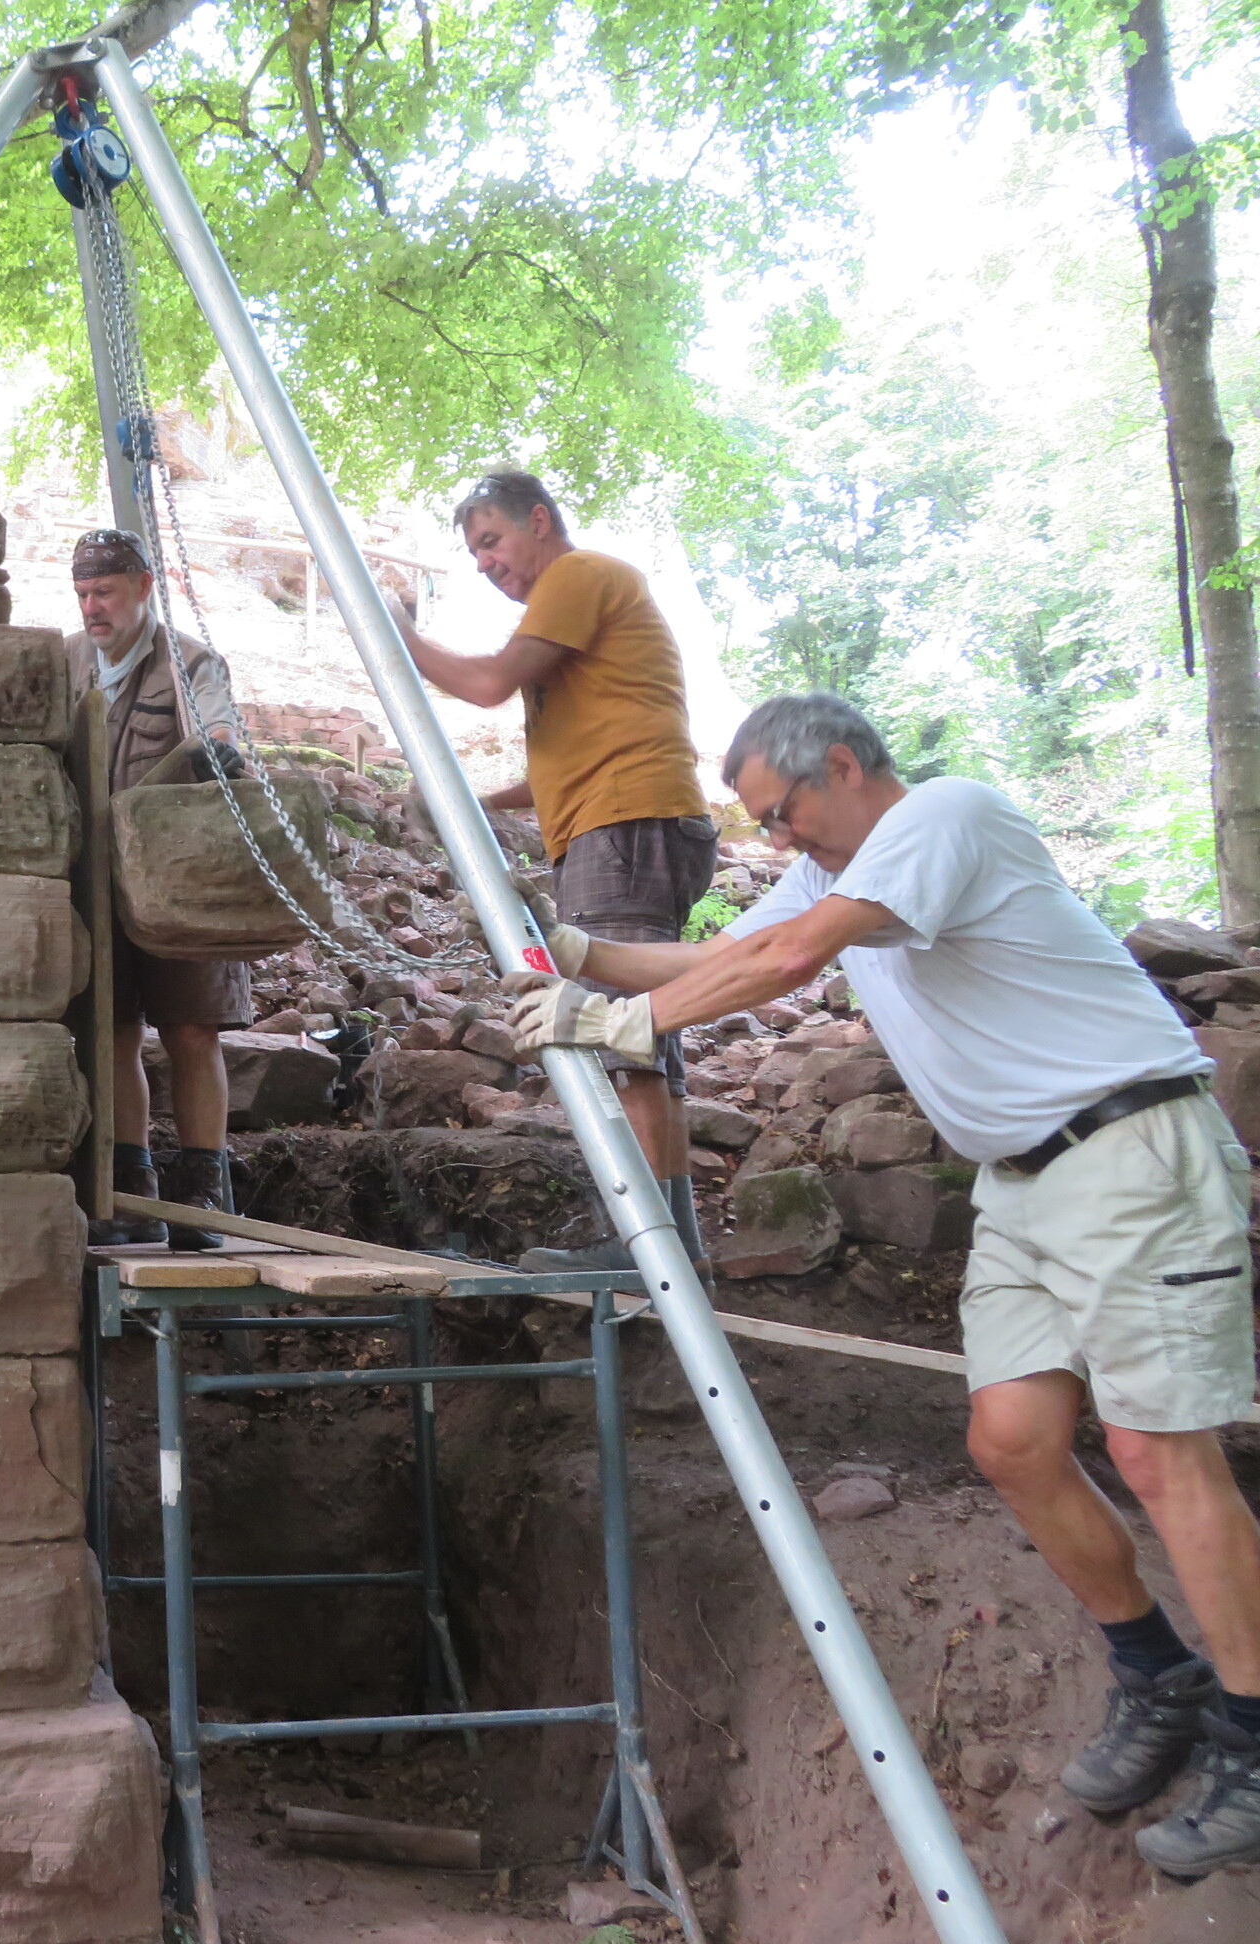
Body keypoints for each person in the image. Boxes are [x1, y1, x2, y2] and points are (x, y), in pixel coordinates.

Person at [508, 691, 1260, 1876]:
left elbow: (787, 957)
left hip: (1131, 1152)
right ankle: (1158, 1676)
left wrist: (616, 1024)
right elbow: (721, 956)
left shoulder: (945, 816)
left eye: (780, 813)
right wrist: (577, 952)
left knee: (1160, 1451)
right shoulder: (834, 872)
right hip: (1021, 1183)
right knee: (1013, 1442)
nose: (774, 839)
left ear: (843, 765)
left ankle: (1256, 1733)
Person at [392, 469, 714, 1269]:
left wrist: (400, 635)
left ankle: (643, 1252)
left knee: (620, 1041)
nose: (485, 563)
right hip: (633, 821)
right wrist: (475, 802)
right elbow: (563, 765)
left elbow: (487, 684)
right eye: (474, 553)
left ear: (539, 520)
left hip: (623, 825)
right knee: (646, 1043)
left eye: (492, 541)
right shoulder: (582, 615)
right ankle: (677, 1250)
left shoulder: (577, 575)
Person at [65, 527, 252, 1250]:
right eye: (83, 593)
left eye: (105, 592)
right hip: (94, 883)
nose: (92, 607)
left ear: (144, 587)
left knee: (191, 1029)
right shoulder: (66, 661)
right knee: (113, 1030)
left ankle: (205, 1189)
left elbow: (218, 725)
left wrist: (219, 753)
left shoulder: (191, 661)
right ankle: (131, 1187)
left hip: (180, 883)